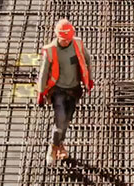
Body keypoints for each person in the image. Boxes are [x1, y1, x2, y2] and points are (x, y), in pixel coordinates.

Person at [36, 18, 94, 162]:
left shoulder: (78, 44)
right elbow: (43, 73)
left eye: (68, 39)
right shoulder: (50, 50)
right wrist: (41, 92)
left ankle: (59, 144)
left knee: (67, 120)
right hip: (58, 91)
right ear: (57, 36)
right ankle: (53, 148)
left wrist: (89, 79)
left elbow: (88, 60)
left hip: (74, 90)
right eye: (63, 40)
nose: (66, 42)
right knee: (60, 120)